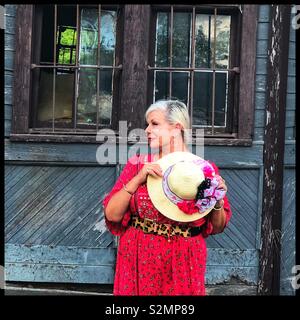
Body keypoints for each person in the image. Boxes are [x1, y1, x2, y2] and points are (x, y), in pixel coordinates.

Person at [103, 100, 232, 295]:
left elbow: (218, 226)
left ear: (176, 128)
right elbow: (112, 215)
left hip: (184, 259)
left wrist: (217, 200)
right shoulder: (138, 166)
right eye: (147, 124)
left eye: (154, 124)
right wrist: (137, 180)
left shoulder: (203, 172)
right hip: (139, 254)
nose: (147, 130)